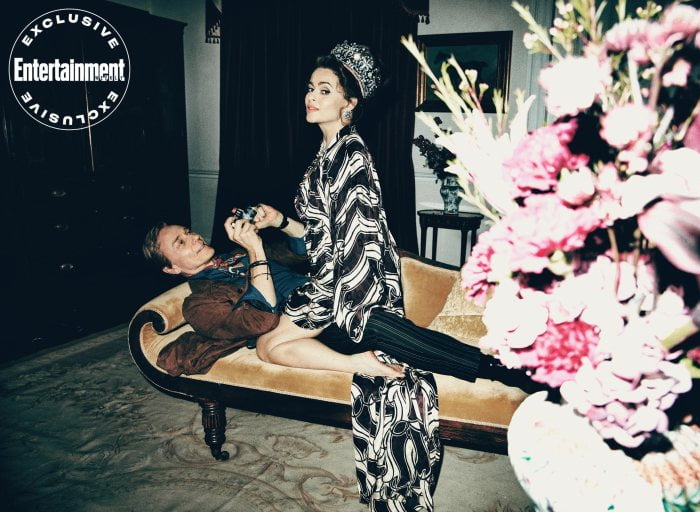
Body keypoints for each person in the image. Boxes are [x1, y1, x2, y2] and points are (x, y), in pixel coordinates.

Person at [247, 41, 538, 390]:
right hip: (330, 283)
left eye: (325, 90)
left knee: (275, 345)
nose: (312, 97)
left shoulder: (350, 154)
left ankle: (509, 370)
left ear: (349, 103)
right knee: (269, 346)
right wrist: (279, 221)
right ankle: (364, 359)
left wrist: (347, 302)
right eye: (311, 88)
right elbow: (319, 235)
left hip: (344, 287)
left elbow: (362, 236)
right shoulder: (326, 152)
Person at [142, 218, 403, 378]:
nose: (194, 237)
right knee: (397, 338)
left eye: (188, 231)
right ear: (171, 269)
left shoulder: (236, 256)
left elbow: (307, 248)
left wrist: (280, 220)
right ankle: (361, 361)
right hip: (318, 325)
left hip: (333, 300)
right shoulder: (199, 303)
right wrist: (255, 249)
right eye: (180, 243)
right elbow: (262, 319)